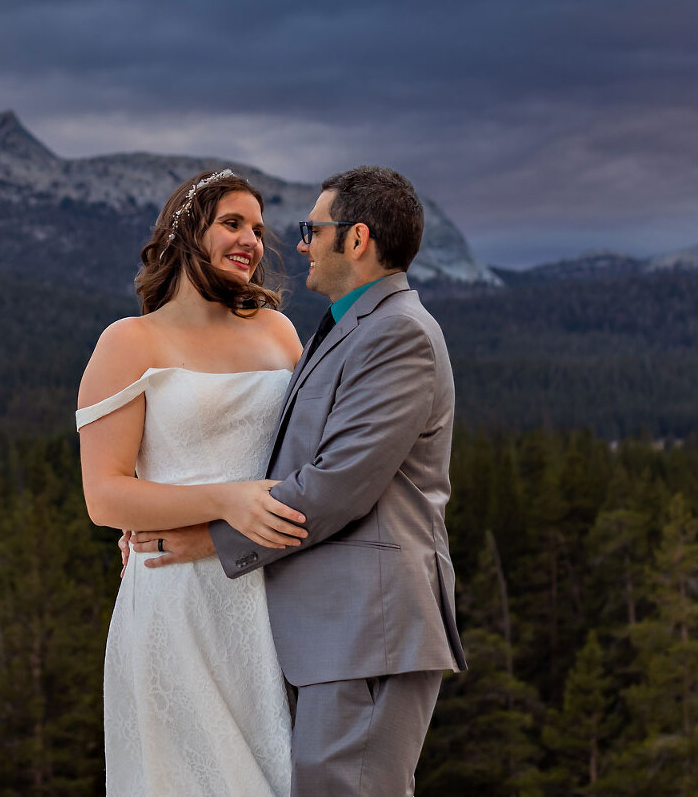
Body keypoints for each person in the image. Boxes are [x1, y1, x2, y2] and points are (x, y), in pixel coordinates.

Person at [132, 165, 467, 797]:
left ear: (357, 238)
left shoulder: (400, 334)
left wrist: (207, 538)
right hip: (330, 630)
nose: (301, 245)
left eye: (313, 230)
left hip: (370, 628)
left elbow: (338, 484)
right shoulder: (347, 326)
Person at [76, 168, 306, 796]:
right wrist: (226, 502)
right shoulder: (129, 341)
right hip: (174, 597)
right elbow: (105, 495)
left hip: (274, 585)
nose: (252, 240)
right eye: (233, 223)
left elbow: (308, 459)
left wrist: (234, 524)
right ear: (184, 232)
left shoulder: (278, 331)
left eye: (258, 229)